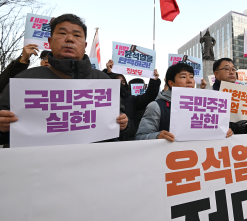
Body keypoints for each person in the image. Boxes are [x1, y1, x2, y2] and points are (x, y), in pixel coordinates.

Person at [0, 14, 128, 147]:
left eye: (77, 35)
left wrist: (123, 123)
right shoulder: (25, 80)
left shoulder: (103, 81)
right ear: (50, 41)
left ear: (85, 46)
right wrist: (2, 127)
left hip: (93, 162)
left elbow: (120, 118)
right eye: (62, 33)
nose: (69, 39)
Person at [136, 63, 233, 141]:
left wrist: (224, 131)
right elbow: (140, 137)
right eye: (183, 77)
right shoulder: (156, 106)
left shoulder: (206, 106)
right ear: (171, 83)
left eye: (191, 77)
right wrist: (157, 136)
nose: (189, 81)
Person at [105, 59, 161, 141]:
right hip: (109, 142)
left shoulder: (132, 99)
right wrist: (109, 73)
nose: (120, 84)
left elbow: (148, 97)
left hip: (131, 143)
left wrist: (154, 81)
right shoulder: (104, 100)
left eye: (123, 82)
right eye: (117, 81)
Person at [211, 58, 247, 134]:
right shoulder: (209, 94)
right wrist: (232, 127)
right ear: (216, 74)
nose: (231, 72)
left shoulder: (245, 94)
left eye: (233, 69)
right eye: (227, 69)